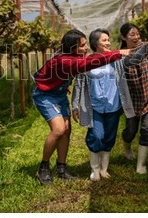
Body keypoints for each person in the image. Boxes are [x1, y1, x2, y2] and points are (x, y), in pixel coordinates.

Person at [32, 29, 134, 185]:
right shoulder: (63, 60)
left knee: (66, 130)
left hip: (59, 94)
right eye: (82, 45)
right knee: (59, 129)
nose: (86, 48)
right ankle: (43, 168)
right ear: (73, 47)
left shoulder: (73, 56)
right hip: (45, 95)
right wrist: (119, 52)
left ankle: (61, 168)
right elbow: (90, 63)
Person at [71, 28, 148, 181]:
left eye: (109, 39)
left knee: (109, 137)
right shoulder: (87, 61)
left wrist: (145, 47)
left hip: (113, 106)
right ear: (95, 43)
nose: (108, 42)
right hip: (94, 106)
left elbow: (134, 60)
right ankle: (94, 170)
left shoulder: (116, 59)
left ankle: (104, 169)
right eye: (104, 40)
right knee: (96, 136)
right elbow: (79, 84)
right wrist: (75, 105)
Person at [119, 23, 148, 174]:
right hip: (132, 98)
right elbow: (133, 61)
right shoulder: (120, 54)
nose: (136, 37)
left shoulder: (147, 48)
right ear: (123, 37)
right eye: (132, 35)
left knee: (146, 129)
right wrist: (144, 48)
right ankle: (127, 146)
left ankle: (141, 165)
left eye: (137, 34)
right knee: (131, 130)